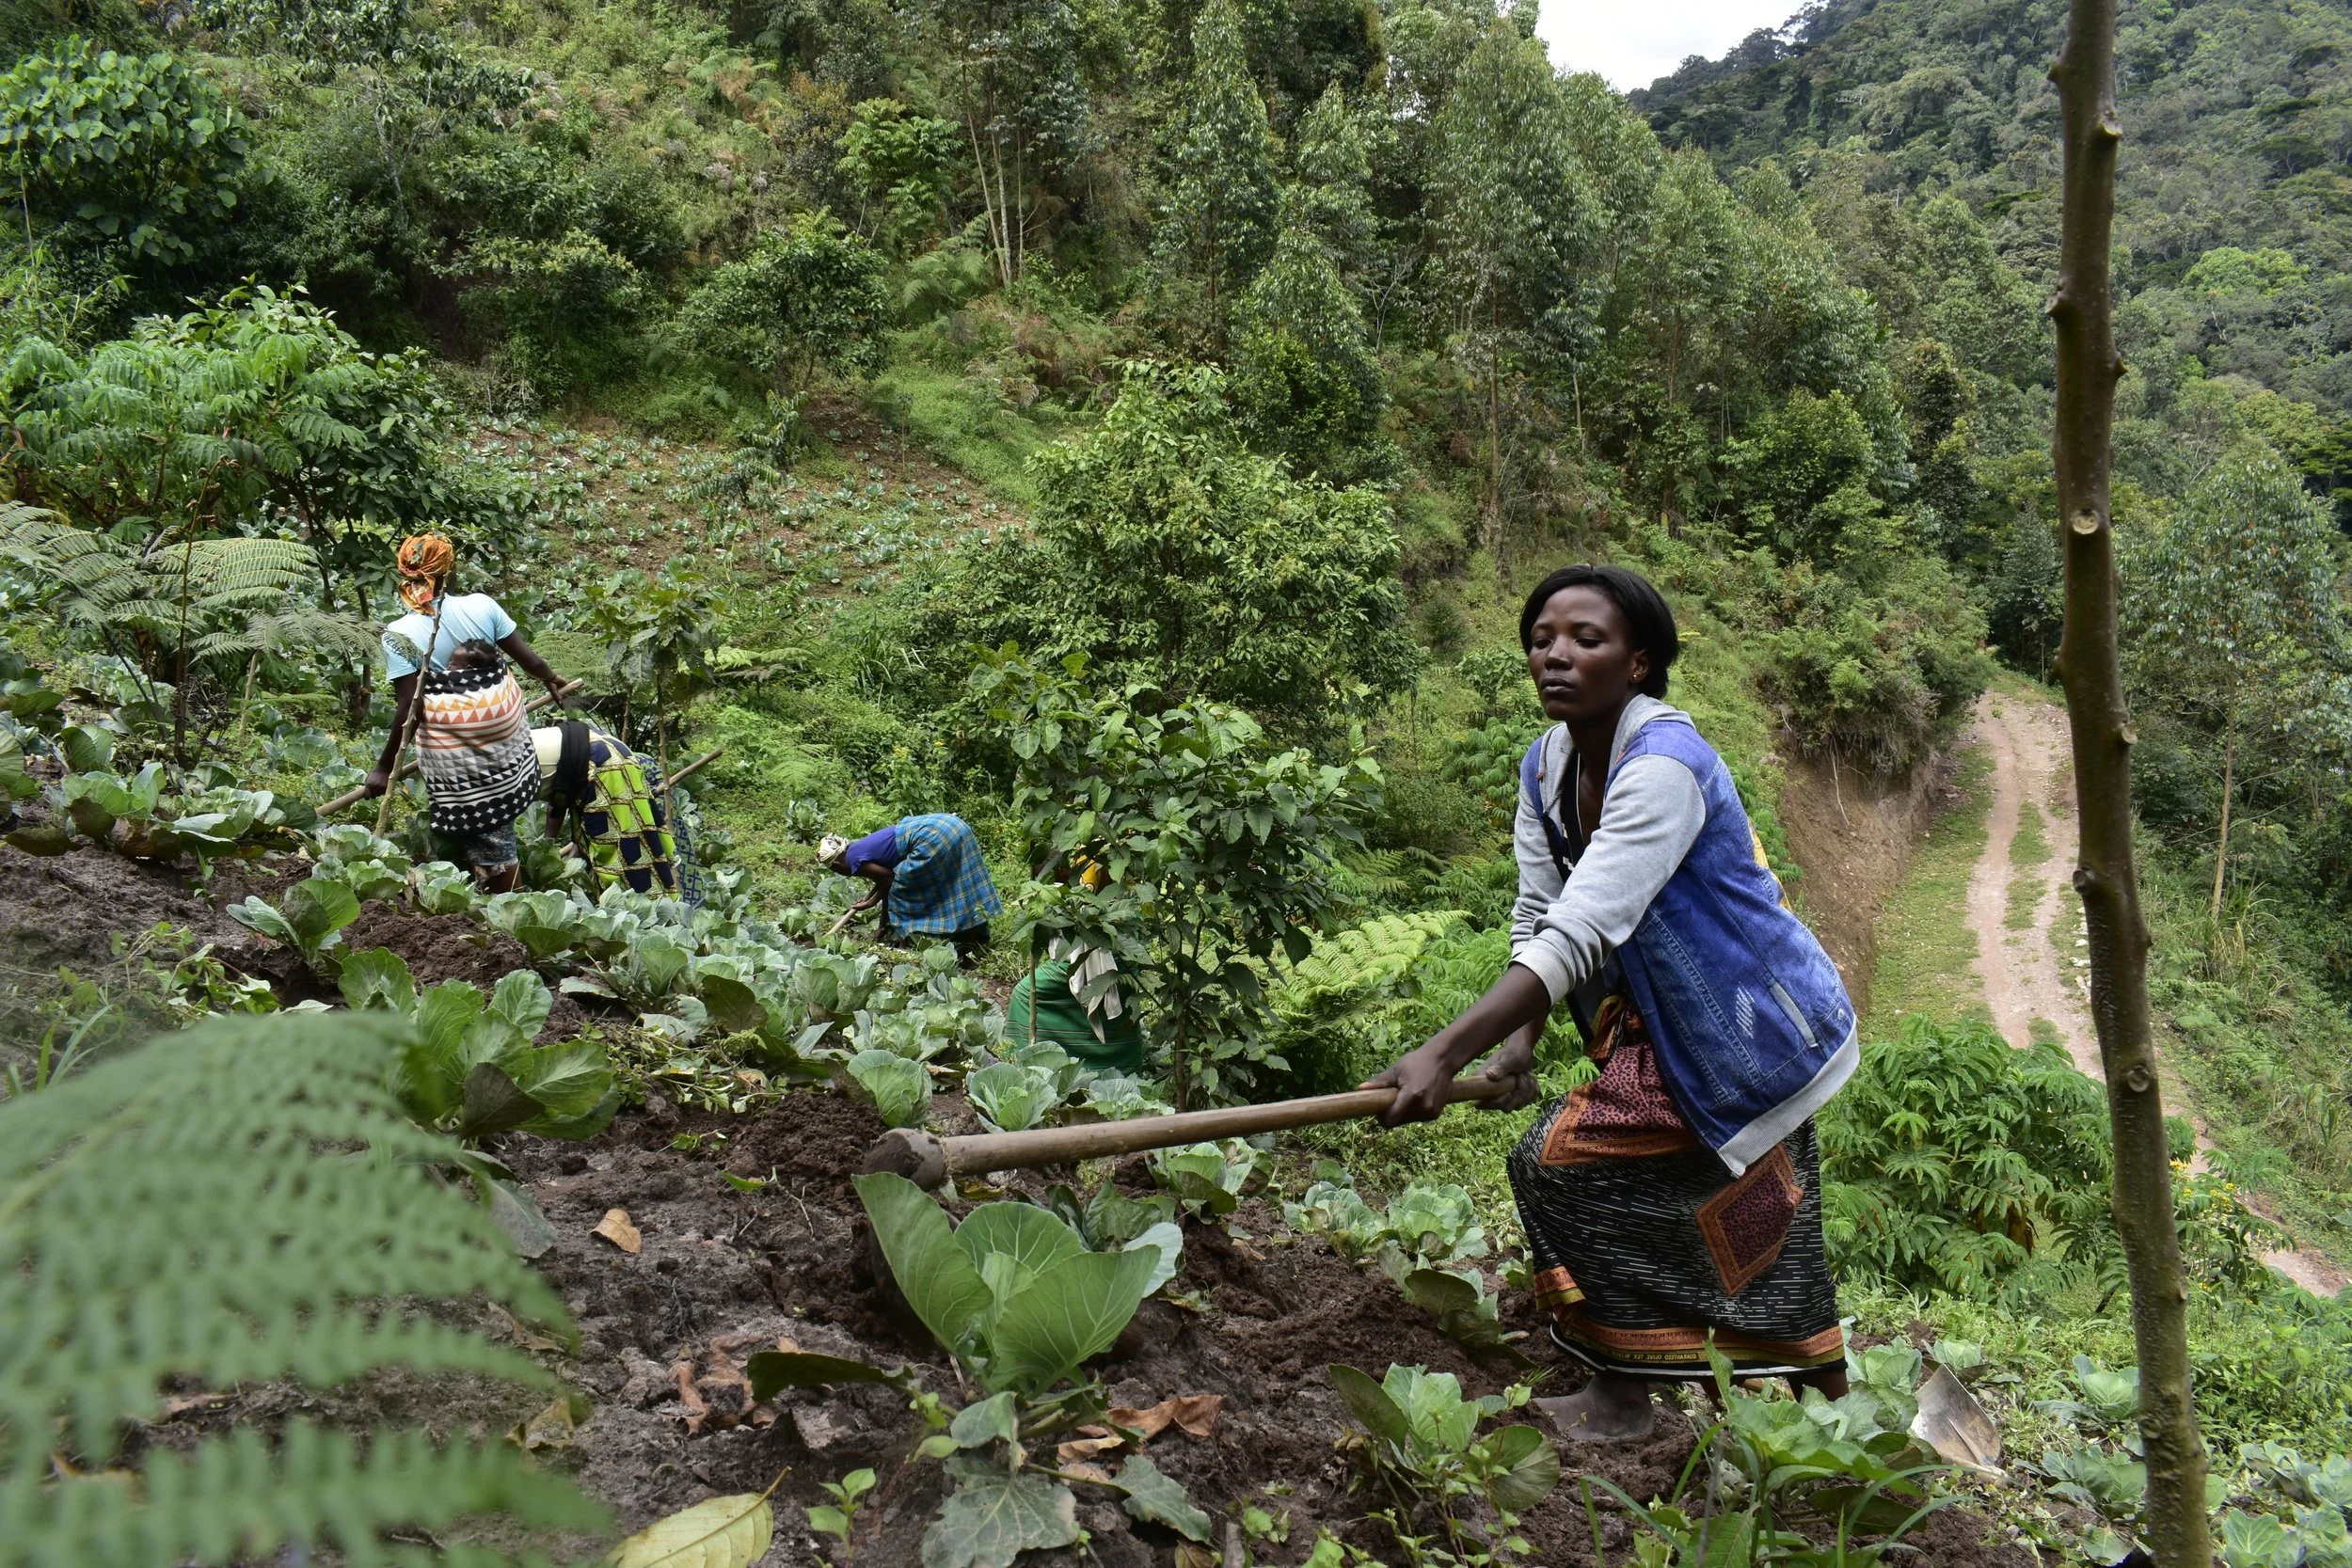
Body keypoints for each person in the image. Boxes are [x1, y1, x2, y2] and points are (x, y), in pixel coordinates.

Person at [1366, 564, 1859, 1443]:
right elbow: (1539, 915)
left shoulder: (1665, 768)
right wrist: (1516, 1047)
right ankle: (1832, 1402)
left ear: (1637, 663)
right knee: (1766, 1211)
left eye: (1584, 639)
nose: (1554, 655)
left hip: (1751, 1026)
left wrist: (1441, 1052)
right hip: (1656, 1025)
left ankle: (1627, 1394)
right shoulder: (1545, 767)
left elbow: (1585, 928)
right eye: (1541, 639)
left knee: (1556, 1165)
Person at [360, 534, 569, 891]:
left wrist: (383, 767)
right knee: (497, 820)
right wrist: (551, 678)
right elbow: (532, 662)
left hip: (461, 761)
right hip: (507, 745)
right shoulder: (482, 605)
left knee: (489, 836)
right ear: (449, 572)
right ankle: (493, 892)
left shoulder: (398, 634)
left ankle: (511, 899)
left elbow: (411, 707)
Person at [818, 815, 1003, 964]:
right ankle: (972, 935)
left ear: (836, 865)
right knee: (958, 882)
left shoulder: (853, 861)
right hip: (952, 826)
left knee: (904, 888)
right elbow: (885, 883)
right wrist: (881, 926)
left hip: (934, 838)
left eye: (834, 870)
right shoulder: (857, 848)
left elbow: (890, 880)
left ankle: (904, 940)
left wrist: (871, 902)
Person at [531, 721, 680, 895]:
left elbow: (506, 852)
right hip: (602, 749)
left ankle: (647, 901)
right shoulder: (514, 747)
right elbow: (559, 803)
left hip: (604, 764)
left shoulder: (506, 768)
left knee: (621, 852)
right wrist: (547, 852)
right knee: (630, 840)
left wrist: (544, 855)